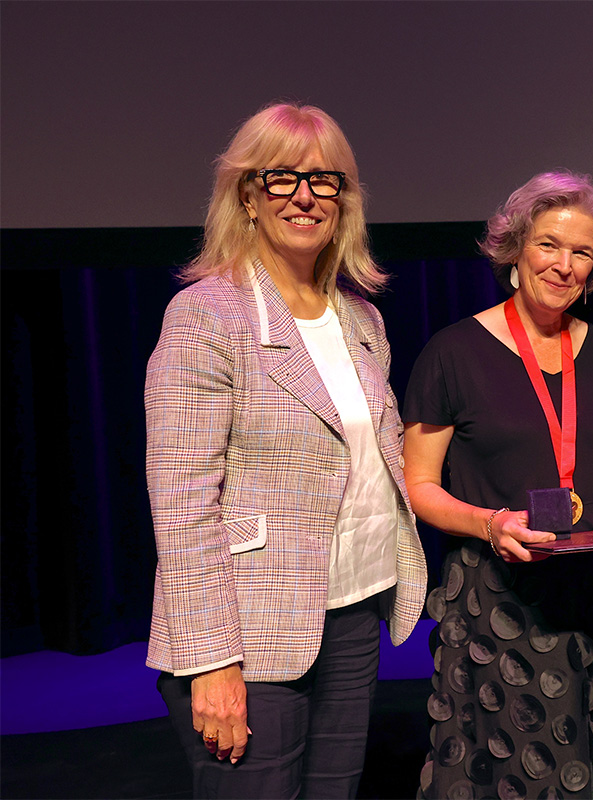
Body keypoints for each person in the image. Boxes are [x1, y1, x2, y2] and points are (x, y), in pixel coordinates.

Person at [145, 102, 427, 798]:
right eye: (282, 178)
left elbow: (376, 465)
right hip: (251, 636)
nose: (306, 196)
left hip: (354, 614)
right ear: (247, 194)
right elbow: (183, 506)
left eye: (325, 180)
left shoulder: (362, 319)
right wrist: (211, 660)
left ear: (344, 199)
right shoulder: (208, 315)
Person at [402, 171, 593, 799]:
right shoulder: (454, 350)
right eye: (549, 244)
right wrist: (491, 524)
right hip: (504, 594)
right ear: (515, 248)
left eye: (582, 251)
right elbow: (418, 486)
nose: (565, 265)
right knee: (525, 769)